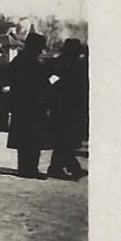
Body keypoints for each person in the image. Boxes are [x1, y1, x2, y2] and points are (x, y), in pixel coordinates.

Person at [5, 32, 52, 178]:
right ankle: (31, 168)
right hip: (34, 104)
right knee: (33, 137)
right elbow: (42, 84)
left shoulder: (18, 60)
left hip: (20, 104)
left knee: (23, 137)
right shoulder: (34, 64)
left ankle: (23, 167)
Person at [45, 39, 88, 180]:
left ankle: (56, 168)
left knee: (64, 140)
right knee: (64, 139)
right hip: (62, 107)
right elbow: (52, 83)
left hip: (69, 107)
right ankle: (72, 167)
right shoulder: (59, 64)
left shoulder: (73, 64)